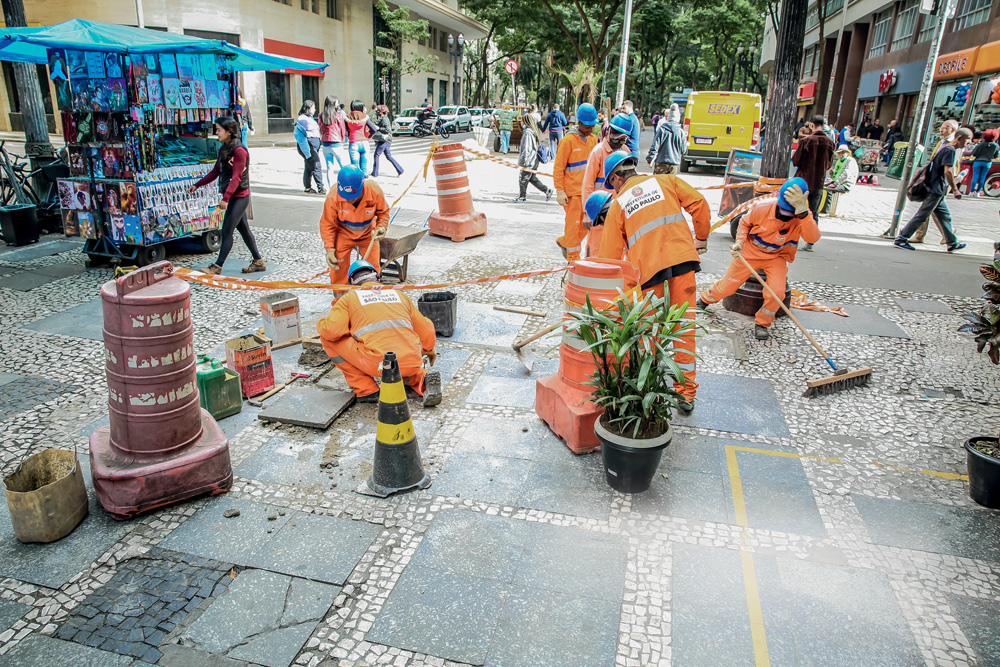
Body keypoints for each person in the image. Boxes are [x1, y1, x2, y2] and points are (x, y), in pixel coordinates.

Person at [598, 151, 710, 412]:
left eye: (610, 184)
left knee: (650, 334)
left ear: (616, 177)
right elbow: (700, 203)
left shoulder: (618, 205)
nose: (612, 189)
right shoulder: (666, 180)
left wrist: (614, 297)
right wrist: (701, 237)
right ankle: (685, 394)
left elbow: (610, 260)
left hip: (649, 277)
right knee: (683, 330)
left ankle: (651, 394)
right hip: (683, 265)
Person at [698, 178, 820, 340]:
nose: (786, 217)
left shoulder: (803, 215)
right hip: (751, 251)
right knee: (728, 285)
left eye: (790, 214)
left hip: (777, 257)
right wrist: (740, 242)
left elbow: (812, 237)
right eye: (783, 212)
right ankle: (705, 299)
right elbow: (743, 223)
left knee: (777, 292)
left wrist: (803, 213)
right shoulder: (762, 208)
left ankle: (763, 322)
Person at [317, 260, 442, 406]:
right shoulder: (398, 294)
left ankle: (366, 389)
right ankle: (422, 378)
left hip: (380, 364)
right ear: (377, 277)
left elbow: (332, 331)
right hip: (412, 360)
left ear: (351, 282)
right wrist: (428, 349)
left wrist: (322, 322)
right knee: (404, 365)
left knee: (328, 339)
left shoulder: (349, 298)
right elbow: (426, 327)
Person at [188, 116, 265, 275]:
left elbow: (236, 177)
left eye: (219, 130)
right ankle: (258, 261)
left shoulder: (239, 151)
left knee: (226, 231)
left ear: (229, 132)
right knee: (244, 230)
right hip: (234, 196)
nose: (216, 133)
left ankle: (217, 267)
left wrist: (225, 199)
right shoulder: (225, 148)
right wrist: (197, 185)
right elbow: (215, 172)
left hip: (240, 197)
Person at [893, 128, 971, 253]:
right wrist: (955, 189)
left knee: (944, 216)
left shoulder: (945, 148)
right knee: (922, 215)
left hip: (937, 188)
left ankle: (951, 242)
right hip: (936, 189)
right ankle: (902, 238)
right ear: (960, 138)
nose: (967, 145)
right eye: (967, 142)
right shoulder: (950, 151)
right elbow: (948, 171)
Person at [320, 165, 390, 288]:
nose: (348, 201)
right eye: (346, 197)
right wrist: (330, 249)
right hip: (343, 234)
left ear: (362, 186)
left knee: (372, 271)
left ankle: (370, 300)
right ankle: (340, 301)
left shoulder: (374, 191)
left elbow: (383, 212)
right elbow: (327, 224)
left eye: (352, 197)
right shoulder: (333, 196)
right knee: (338, 271)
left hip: (369, 235)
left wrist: (381, 227)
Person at [554, 103, 600, 260]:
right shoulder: (567, 141)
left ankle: (564, 242)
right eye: (587, 125)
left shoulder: (593, 140)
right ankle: (573, 260)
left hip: (588, 193)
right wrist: (559, 190)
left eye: (592, 125)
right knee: (573, 227)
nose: (590, 128)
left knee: (584, 226)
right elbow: (558, 167)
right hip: (573, 194)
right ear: (579, 123)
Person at [791, 114, 835, 250]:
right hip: (818, 182)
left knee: (794, 208)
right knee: (813, 212)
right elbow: (828, 164)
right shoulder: (829, 142)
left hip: (803, 181)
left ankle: (791, 238)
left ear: (811, 124)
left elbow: (796, 161)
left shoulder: (806, 141)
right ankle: (810, 241)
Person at [911, 120, 959, 244]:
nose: (941, 130)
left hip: (942, 181)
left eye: (945, 128)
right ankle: (948, 236)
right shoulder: (942, 143)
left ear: (953, 130)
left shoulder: (953, 145)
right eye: (941, 128)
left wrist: (953, 186)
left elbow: (951, 167)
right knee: (935, 208)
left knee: (929, 208)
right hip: (934, 179)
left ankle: (909, 235)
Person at [515, 113, 554, 203]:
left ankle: (522, 197)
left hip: (529, 160)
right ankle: (547, 190)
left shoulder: (528, 132)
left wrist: (524, 160)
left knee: (523, 178)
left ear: (525, 121)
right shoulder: (534, 131)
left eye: (522, 120)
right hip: (534, 159)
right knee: (532, 178)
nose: (520, 122)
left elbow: (527, 148)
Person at [646, 103, 687, 175]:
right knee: (670, 185)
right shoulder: (681, 132)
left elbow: (655, 146)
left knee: (659, 184)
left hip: (661, 162)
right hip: (674, 164)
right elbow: (683, 150)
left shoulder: (662, 130)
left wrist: (650, 159)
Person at [295, 100, 325, 194]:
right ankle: (320, 187)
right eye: (313, 107)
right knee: (316, 165)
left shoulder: (309, 118)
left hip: (314, 144)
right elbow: (298, 134)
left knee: (308, 167)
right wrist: (306, 149)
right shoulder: (302, 119)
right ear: (308, 108)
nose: (315, 109)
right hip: (308, 145)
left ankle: (307, 188)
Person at [319, 96, 348, 190]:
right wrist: (343, 139)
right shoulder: (338, 115)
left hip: (326, 144)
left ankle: (330, 188)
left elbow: (320, 128)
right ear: (333, 103)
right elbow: (342, 129)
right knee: (343, 167)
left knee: (329, 167)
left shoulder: (321, 115)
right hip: (336, 143)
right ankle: (346, 185)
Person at [346, 100, 378, 175]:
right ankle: (365, 183)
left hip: (353, 143)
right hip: (365, 143)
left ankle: (357, 185)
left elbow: (345, 131)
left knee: (355, 169)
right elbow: (374, 129)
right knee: (364, 168)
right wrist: (368, 135)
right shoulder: (365, 117)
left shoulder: (347, 117)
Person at [372, 105, 404, 178]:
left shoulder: (384, 119)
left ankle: (375, 173)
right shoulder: (383, 118)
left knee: (376, 155)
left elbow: (387, 130)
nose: (376, 112)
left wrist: (379, 128)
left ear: (381, 112)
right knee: (388, 156)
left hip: (384, 139)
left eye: (378, 111)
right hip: (386, 140)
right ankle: (400, 170)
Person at [970, 129, 999, 197]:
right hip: (987, 163)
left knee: (975, 176)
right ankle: (978, 193)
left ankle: (971, 192)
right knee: (982, 177)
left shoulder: (980, 144)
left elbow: (974, 153)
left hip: (977, 162)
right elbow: (996, 156)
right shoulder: (996, 146)